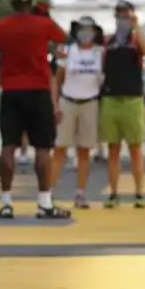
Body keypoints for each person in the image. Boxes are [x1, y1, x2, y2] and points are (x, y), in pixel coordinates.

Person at [0, 0, 70, 219]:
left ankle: (6, 202)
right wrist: (43, 14)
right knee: (43, 147)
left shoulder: (0, 26)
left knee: (8, 146)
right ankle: (44, 202)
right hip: (38, 90)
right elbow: (63, 37)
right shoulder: (42, 23)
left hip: (11, 90)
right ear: (30, 0)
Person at [100, 0, 145, 209]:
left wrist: (136, 25)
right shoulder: (108, 41)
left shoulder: (135, 40)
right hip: (110, 99)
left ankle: (139, 192)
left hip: (132, 99)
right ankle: (113, 193)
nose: (122, 18)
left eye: (126, 14)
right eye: (119, 14)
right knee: (112, 149)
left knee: (135, 148)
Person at [51, 16, 104, 208]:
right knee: (60, 149)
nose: (85, 33)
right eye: (82, 29)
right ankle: (49, 192)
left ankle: (80, 193)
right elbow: (57, 81)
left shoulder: (99, 53)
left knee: (84, 151)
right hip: (68, 101)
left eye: (89, 29)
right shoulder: (68, 52)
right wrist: (55, 105)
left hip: (90, 102)